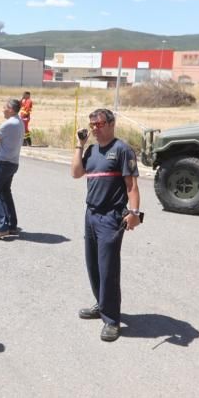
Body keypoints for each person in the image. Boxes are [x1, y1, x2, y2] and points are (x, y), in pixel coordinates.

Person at [71, 108, 143, 342]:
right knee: (93, 264)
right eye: (92, 125)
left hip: (111, 217)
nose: (94, 128)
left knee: (108, 268)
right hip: (91, 214)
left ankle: (111, 320)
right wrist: (80, 145)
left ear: (111, 124)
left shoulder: (121, 150)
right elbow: (75, 173)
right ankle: (101, 304)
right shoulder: (91, 150)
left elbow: (131, 186)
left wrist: (134, 213)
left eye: (99, 124)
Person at [0, 98, 25, 240]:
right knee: (5, 192)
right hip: (13, 162)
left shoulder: (8, 124)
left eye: (4, 107)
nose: (2, 109)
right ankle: (11, 225)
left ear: (10, 109)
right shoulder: (19, 121)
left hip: (3, 163)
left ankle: (2, 227)